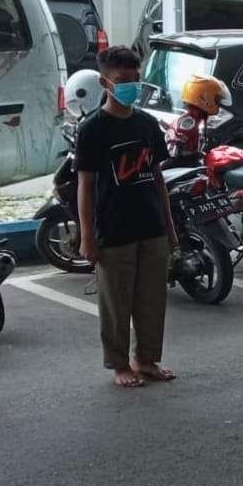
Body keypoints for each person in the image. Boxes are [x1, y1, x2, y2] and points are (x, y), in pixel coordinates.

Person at [76, 46, 177, 388]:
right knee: (116, 304)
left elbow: (158, 178)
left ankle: (146, 359)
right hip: (114, 230)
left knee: (151, 301)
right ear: (105, 82)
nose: (130, 86)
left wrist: (169, 226)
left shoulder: (147, 124)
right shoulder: (93, 128)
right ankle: (120, 364)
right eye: (122, 81)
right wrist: (87, 237)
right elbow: (85, 186)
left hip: (151, 225)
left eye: (135, 79)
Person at [165, 74, 230, 166]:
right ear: (204, 98)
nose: (218, 103)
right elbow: (181, 153)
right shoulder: (189, 122)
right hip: (183, 166)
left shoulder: (197, 118)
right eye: (216, 99)